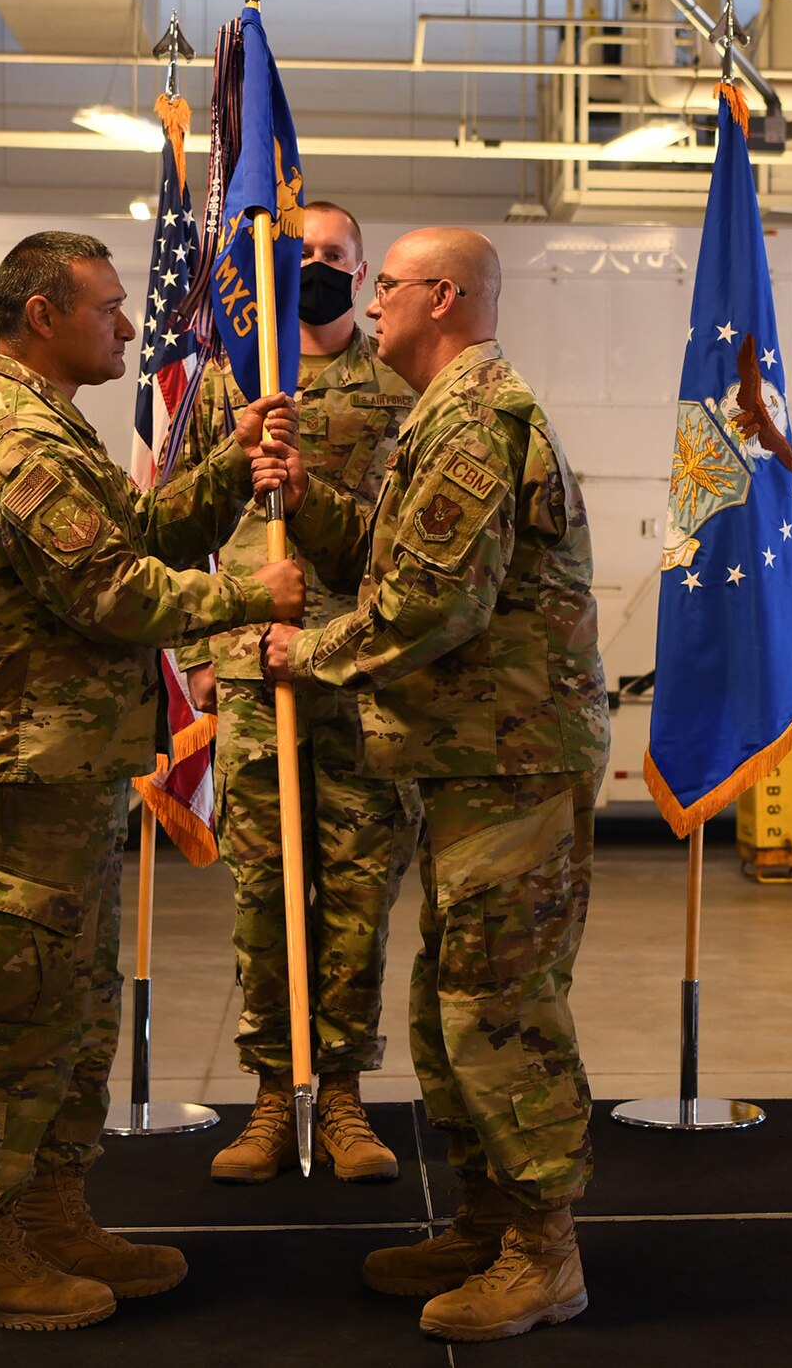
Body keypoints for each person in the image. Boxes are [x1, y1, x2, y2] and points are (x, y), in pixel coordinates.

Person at [0, 230, 303, 1331]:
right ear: (42, 315)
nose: (130, 327)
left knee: (72, 1011)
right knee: (6, 1017)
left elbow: (143, 530)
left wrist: (230, 464)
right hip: (11, 775)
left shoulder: (51, 425)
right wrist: (249, 597)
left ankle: (48, 1214)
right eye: (108, 308)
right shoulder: (14, 439)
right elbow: (115, 593)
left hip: (58, 769)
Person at [260, 227, 610, 1342]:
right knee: (448, 1004)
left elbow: (433, 605)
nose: (371, 304)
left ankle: (544, 1251)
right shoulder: (441, 415)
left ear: (443, 296)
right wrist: (306, 497)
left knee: (501, 1007)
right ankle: (487, 1218)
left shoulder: (476, 420)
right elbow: (393, 557)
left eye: (390, 287)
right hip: (475, 762)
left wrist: (307, 653)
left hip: (513, 761)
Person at [175, 201, 422, 1185]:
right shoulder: (233, 380)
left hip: (360, 672)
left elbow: (408, 540)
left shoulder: (400, 387)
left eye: (332, 254)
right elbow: (179, 514)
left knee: (358, 895)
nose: (313, 264)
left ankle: (345, 1095)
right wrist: (198, 644)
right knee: (264, 894)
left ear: (361, 273)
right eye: (298, 249)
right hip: (253, 672)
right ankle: (276, 1093)